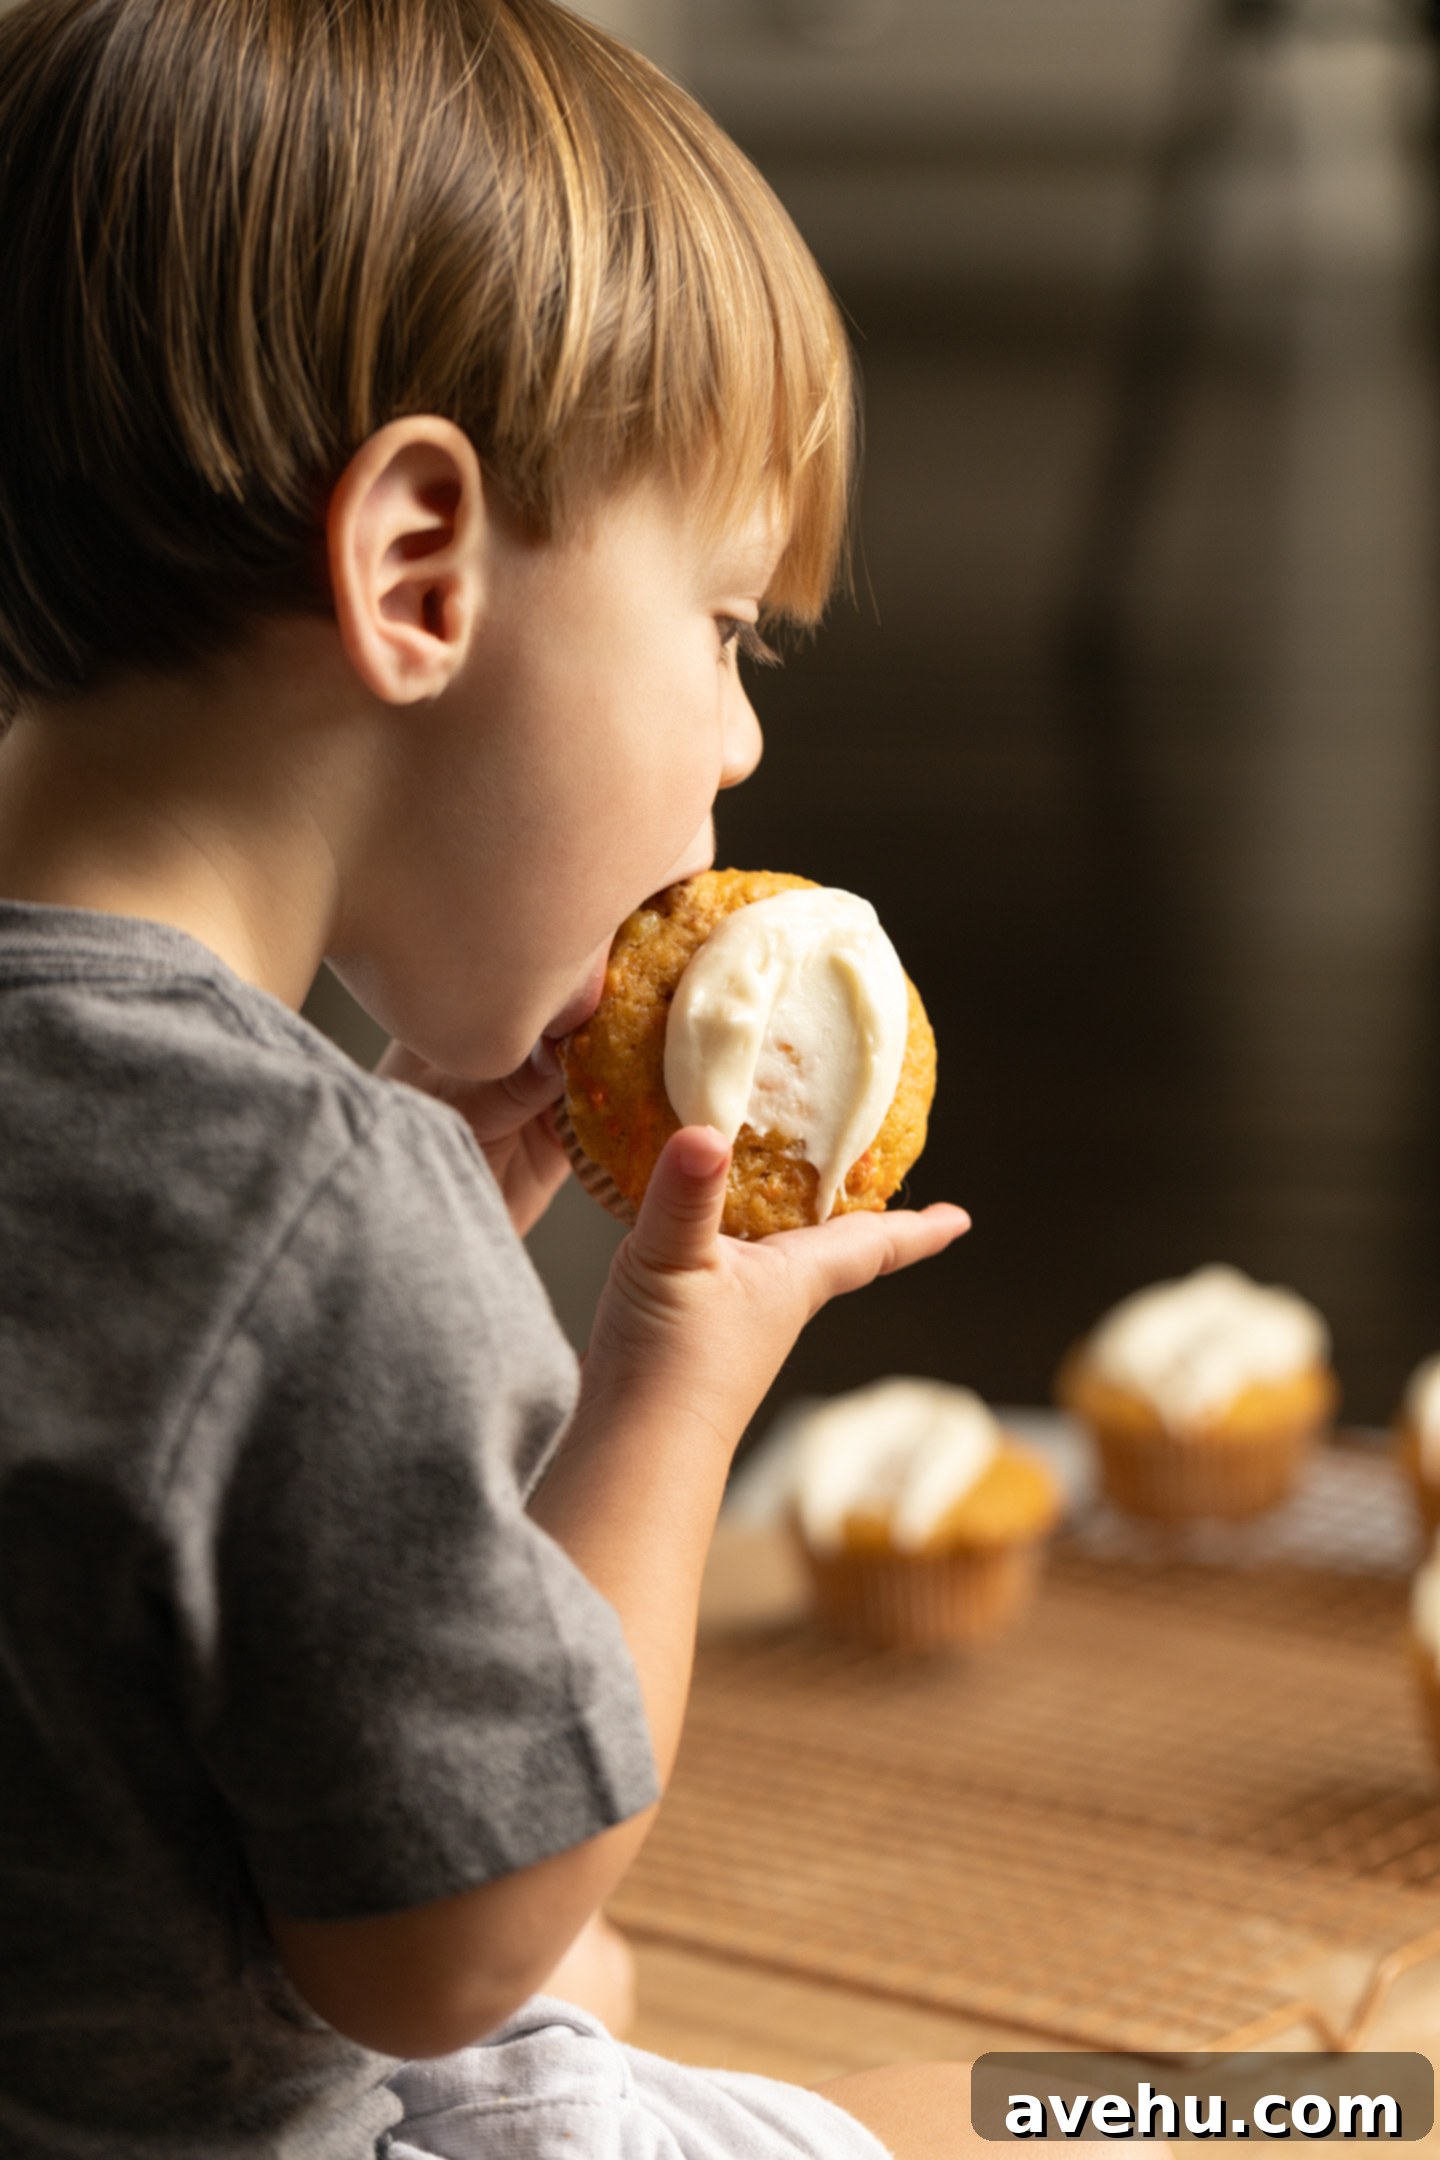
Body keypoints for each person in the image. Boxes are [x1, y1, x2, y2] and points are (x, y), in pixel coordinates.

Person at [0, 2, 973, 2154]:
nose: (738, 742)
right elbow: (454, 1948)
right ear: (418, 568)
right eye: (725, 626)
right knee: (999, 2120)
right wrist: (676, 1379)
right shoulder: (321, 1207)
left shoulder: (259, 1194)